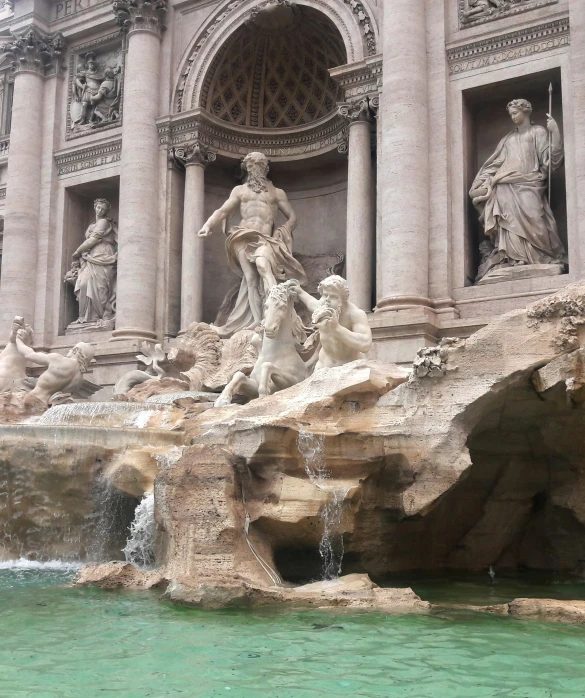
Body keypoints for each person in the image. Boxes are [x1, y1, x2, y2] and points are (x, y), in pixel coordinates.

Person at [198, 151, 307, 337]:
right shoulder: (239, 191)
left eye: (259, 165)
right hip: (242, 236)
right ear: (247, 168)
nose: (255, 168)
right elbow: (223, 211)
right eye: (251, 165)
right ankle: (257, 319)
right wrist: (207, 225)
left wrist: (282, 231)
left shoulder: (276, 192)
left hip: (264, 239)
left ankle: (276, 306)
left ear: (266, 168)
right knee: (250, 279)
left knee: (263, 265)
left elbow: (293, 217)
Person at [469, 98, 567, 282]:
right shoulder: (508, 139)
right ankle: (514, 259)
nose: (513, 117)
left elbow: (551, 162)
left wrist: (555, 133)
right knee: (508, 222)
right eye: (511, 114)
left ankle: (539, 257)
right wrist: (482, 182)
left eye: (515, 113)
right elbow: (495, 164)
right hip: (505, 185)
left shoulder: (538, 132)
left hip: (530, 183)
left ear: (526, 112)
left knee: (535, 218)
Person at [289, 275, 372, 370]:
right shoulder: (323, 306)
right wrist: (299, 291)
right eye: (324, 295)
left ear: (343, 300)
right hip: (323, 366)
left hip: (348, 368)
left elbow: (365, 344)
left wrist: (337, 328)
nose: (327, 300)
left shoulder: (355, 314)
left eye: (333, 296)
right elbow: (311, 303)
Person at [66, 198, 117, 328]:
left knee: (100, 287)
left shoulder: (104, 222)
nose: (100, 210)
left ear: (106, 211)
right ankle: (84, 317)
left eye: (103, 209)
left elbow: (93, 240)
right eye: (98, 207)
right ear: (94, 207)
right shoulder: (91, 225)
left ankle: (97, 317)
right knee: (83, 283)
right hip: (90, 257)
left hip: (103, 254)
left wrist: (77, 252)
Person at [14, 334, 95, 406]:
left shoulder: (59, 359)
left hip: (31, 400)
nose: (69, 350)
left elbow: (29, 354)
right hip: (45, 407)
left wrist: (18, 340)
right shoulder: (79, 380)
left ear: (75, 350)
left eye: (72, 349)